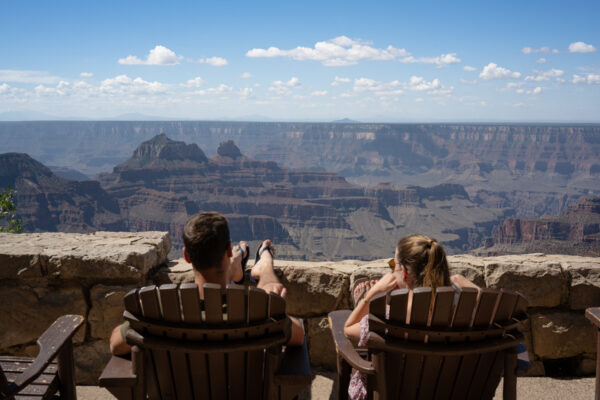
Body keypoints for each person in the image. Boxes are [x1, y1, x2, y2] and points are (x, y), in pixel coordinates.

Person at [344, 234, 527, 400]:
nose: (392, 270)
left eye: (394, 265)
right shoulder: (472, 314)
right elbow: (497, 311)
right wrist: (465, 284)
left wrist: (371, 295)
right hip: (459, 392)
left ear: (404, 272)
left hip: (400, 393)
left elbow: (347, 329)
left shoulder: (389, 318)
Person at [110, 212, 305, 355]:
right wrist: (269, 289)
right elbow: (299, 335)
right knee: (266, 278)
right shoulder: (254, 308)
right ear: (227, 249)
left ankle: (238, 263)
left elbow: (115, 345)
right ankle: (263, 264)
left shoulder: (160, 308)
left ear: (186, 256)